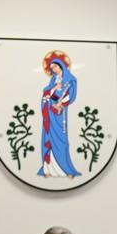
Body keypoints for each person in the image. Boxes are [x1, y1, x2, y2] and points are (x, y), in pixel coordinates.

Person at [38, 50, 82, 178]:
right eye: (52, 68)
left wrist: (61, 103)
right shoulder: (53, 80)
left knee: (61, 141)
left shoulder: (70, 80)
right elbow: (47, 93)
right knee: (48, 139)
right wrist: (54, 89)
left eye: (55, 67)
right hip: (50, 114)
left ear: (61, 65)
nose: (54, 70)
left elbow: (71, 96)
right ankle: (48, 169)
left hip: (59, 115)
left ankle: (66, 170)